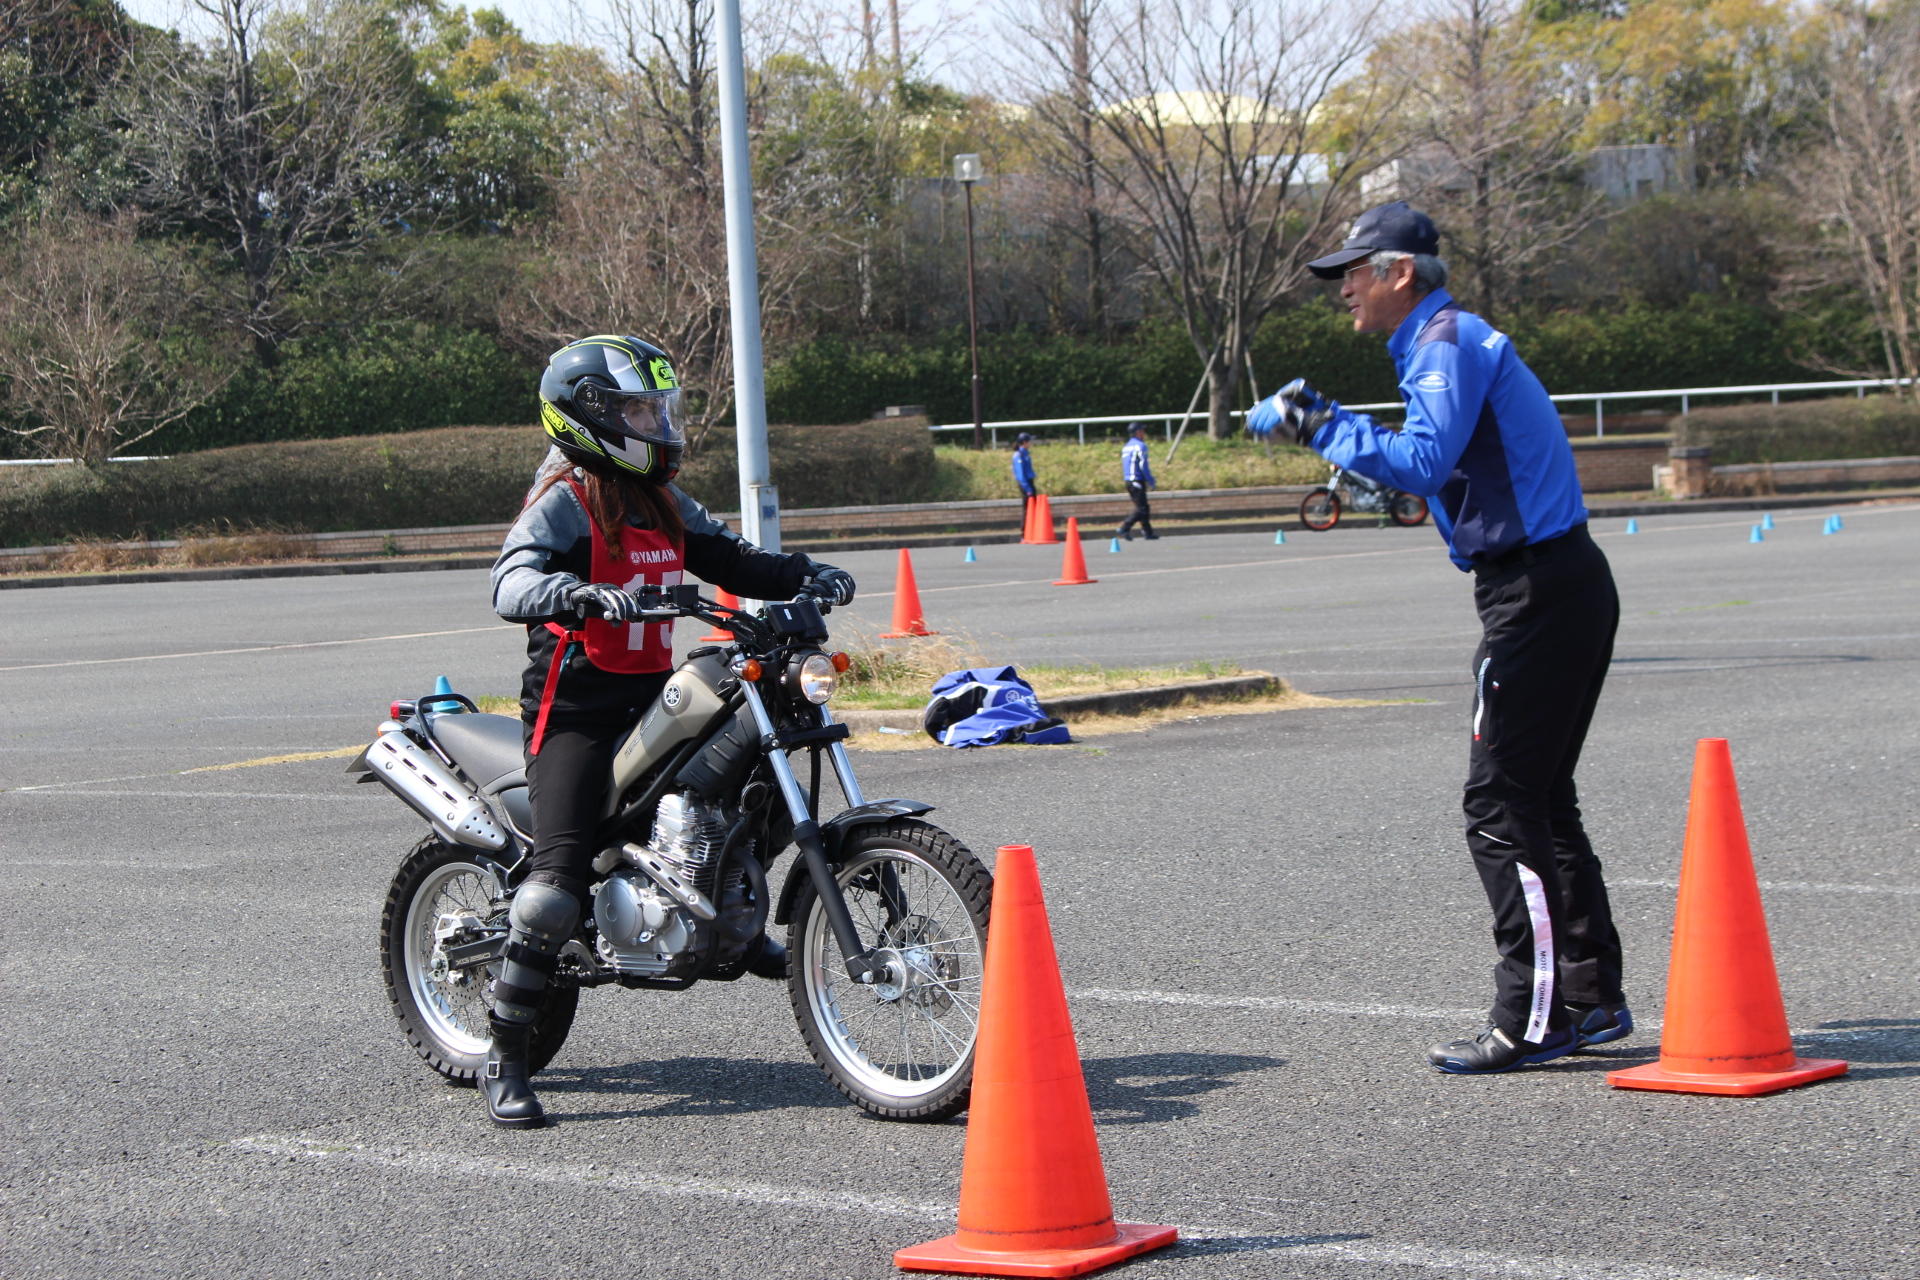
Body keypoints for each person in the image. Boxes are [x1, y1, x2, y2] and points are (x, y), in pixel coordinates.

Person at [1248, 202, 1629, 1075]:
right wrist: (1339, 425)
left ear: (1400, 273)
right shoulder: (1447, 340)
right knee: (1539, 798)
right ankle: (1587, 996)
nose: (1342, 287)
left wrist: (1319, 423)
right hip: (1562, 581)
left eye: (1353, 270)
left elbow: (1422, 462)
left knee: (1498, 806)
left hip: (1534, 593)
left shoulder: (1445, 342)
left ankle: (1534, 1019)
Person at [486, 334, 856, 1128]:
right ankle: (506, 1053)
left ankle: (729, 915)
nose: (654, 422)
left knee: (745, 778)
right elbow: (508, 578)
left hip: (650, 700)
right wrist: (569, 594)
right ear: (587, 417)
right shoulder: (565, 496)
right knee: (554, 892)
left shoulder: (662, 501)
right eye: (635, 410)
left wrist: (801, 573)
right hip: (575, 718)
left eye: (656, 408)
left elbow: (731, 557)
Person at [1116, 421, 1158, 541]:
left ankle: (1148, 532)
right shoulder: (1141, 446)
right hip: (1137, 480)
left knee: (1143, 506)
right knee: (1142, 509)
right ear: (1137, 432)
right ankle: (1124, 527)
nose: (1144, 433)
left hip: (1129, 480)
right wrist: (1150, 480)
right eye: (1142, 430)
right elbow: (1143, 465)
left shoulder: (1126, 446)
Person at [1011, 431, 1038, 533]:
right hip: (1025, 484)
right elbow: (1020, 474)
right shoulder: (1019, 455)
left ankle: (1032, 530)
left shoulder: (1025, 453)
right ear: (1024, 442)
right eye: (1029, 441)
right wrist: (1028, 489)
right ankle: (1025, 532)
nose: (1031, 443)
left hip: (1029, 482)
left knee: (1032, 507)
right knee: (1027, 508)